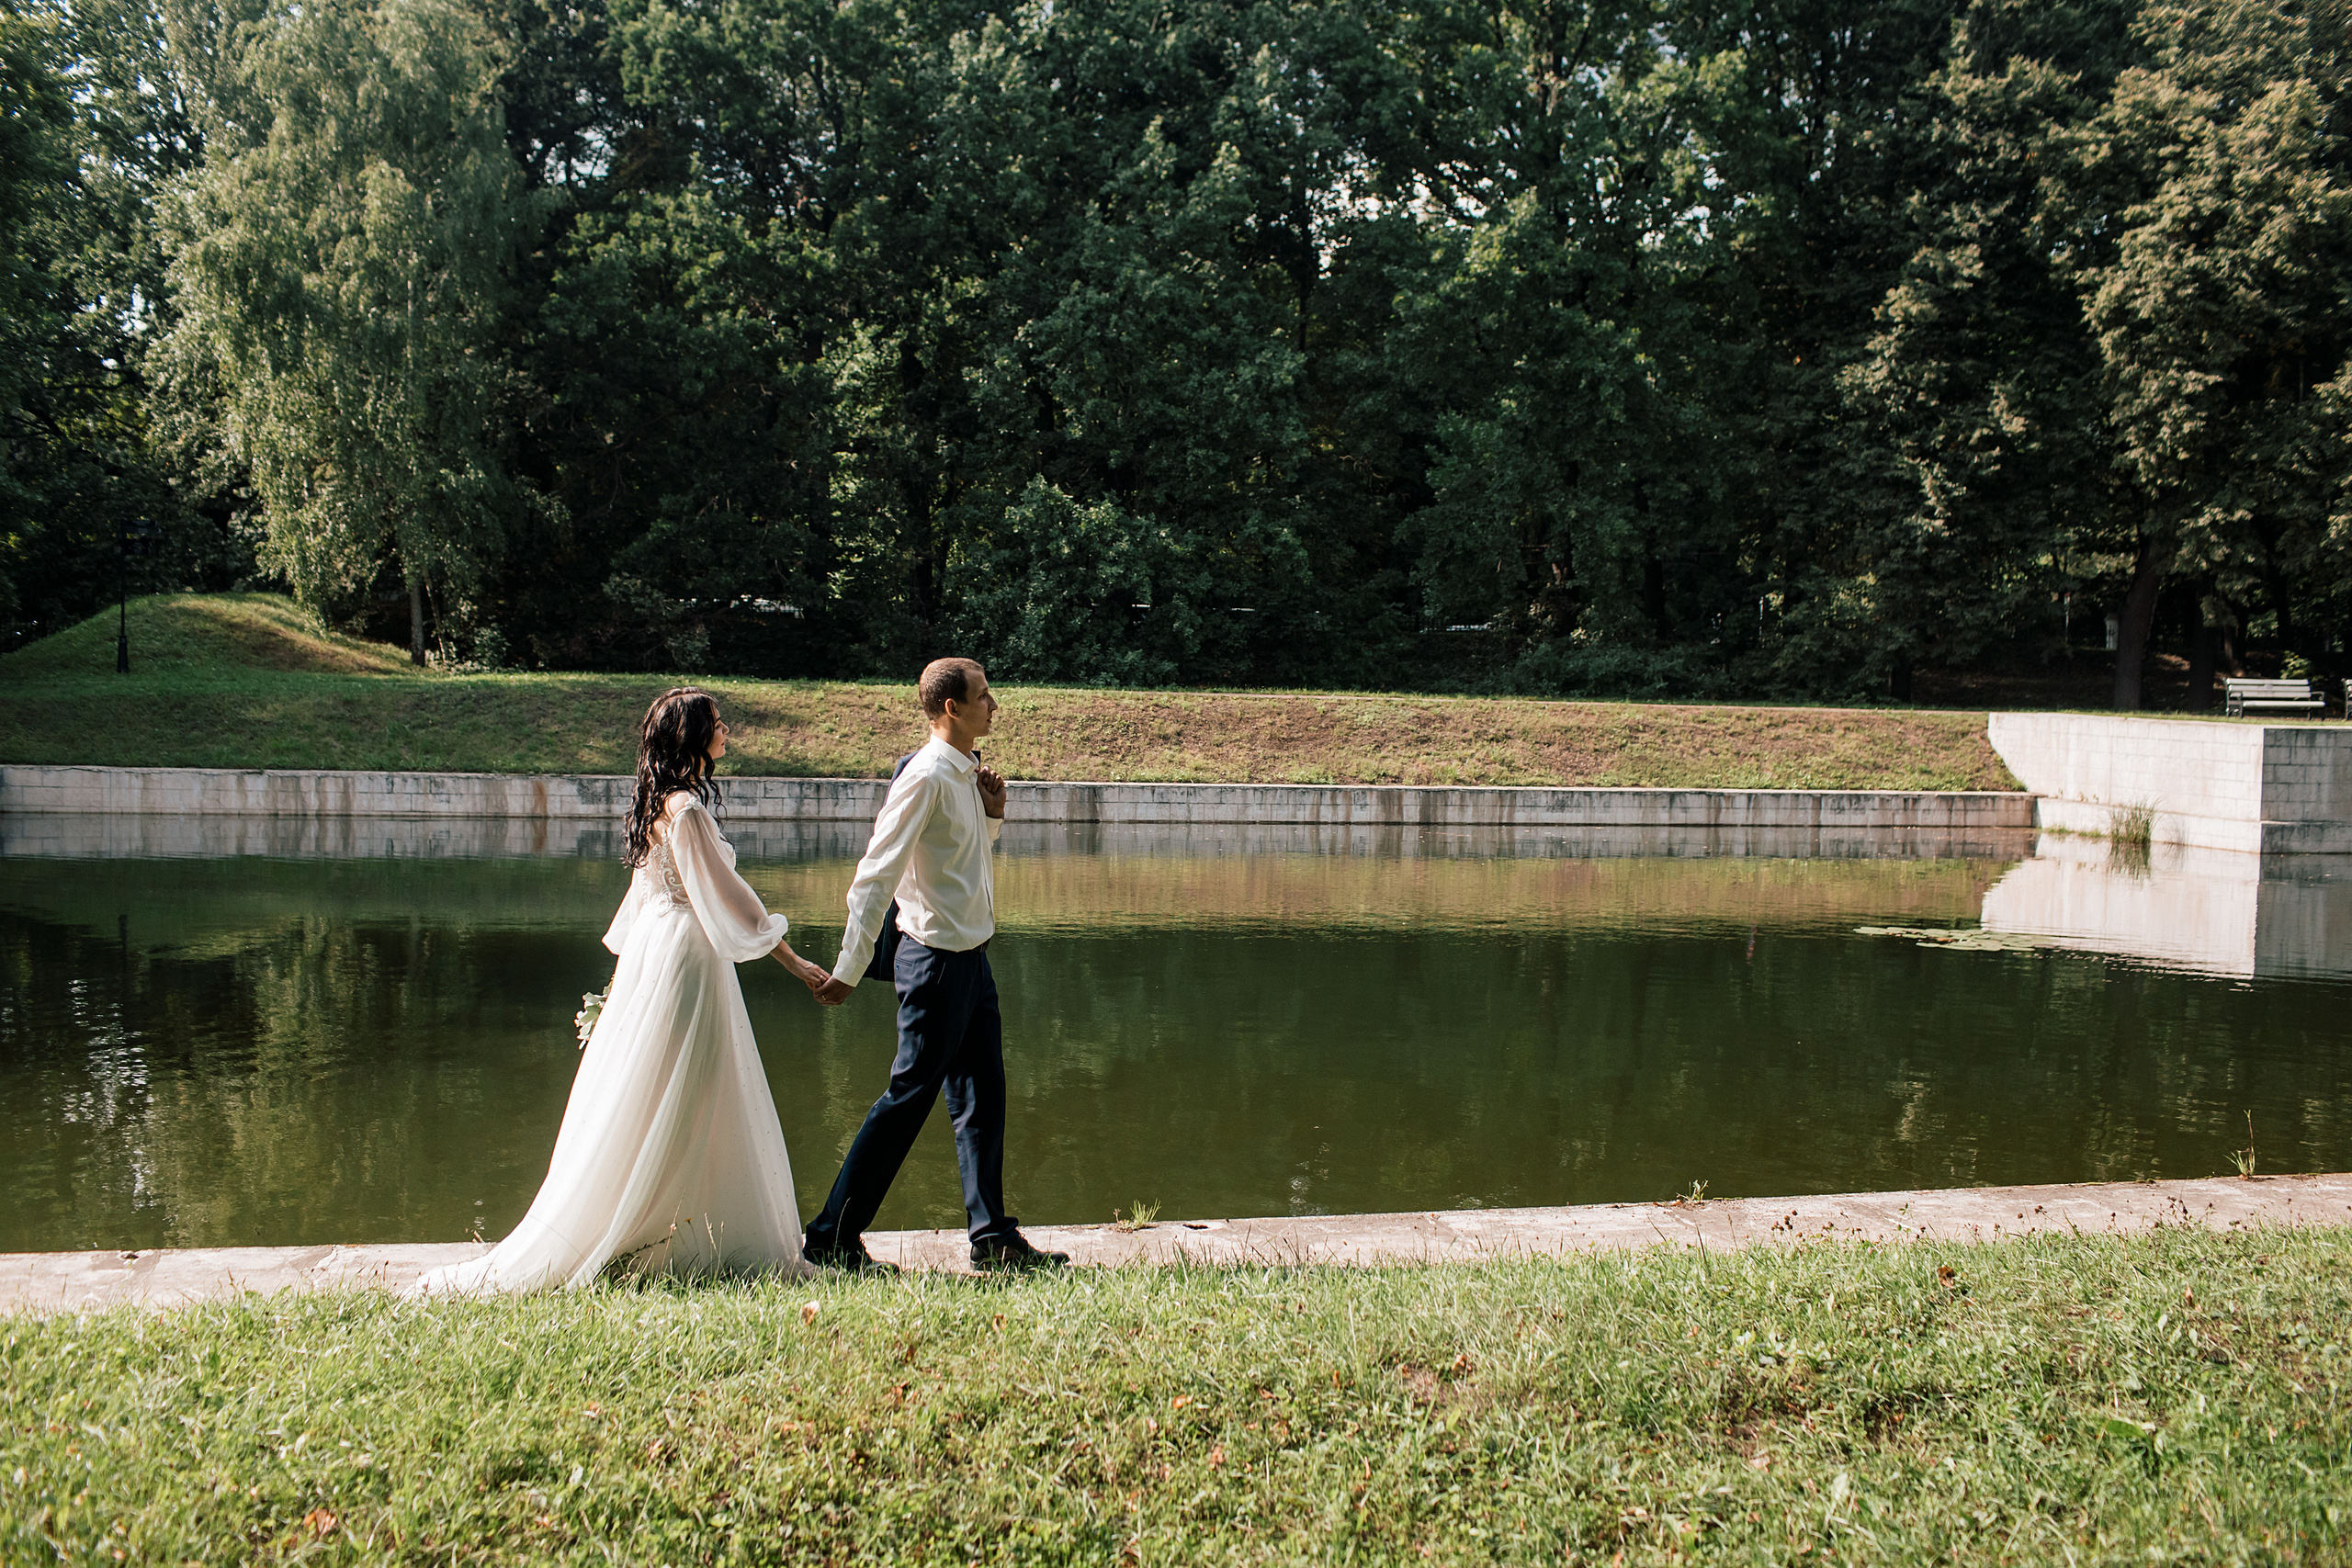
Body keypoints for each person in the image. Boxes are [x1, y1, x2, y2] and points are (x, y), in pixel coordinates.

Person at [415, 688, 831, 1294]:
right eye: (717, 723)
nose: (726, 731)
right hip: (688, 955)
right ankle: (668, 1232)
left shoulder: (659, 802)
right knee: (693, 1086)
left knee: (661, 1085)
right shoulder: (687, 810)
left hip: (657, 952)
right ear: (692, 737)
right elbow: (731, 899)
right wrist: (795, 962)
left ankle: (675, 1228)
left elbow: (642, 902)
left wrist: (628, 985)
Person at [804, 658, 1069, 1272]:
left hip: (971, 963)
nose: (994, 705)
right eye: (983, 695)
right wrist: (849, 966)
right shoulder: (924, 776)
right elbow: (875, 876)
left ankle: (992, 1238)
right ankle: (831, 1237)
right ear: (952, 707)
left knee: (983, 1099)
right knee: (906, 1100)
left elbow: (960, 863)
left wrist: (992, 814)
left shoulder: (965, 774)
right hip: (934, 965)